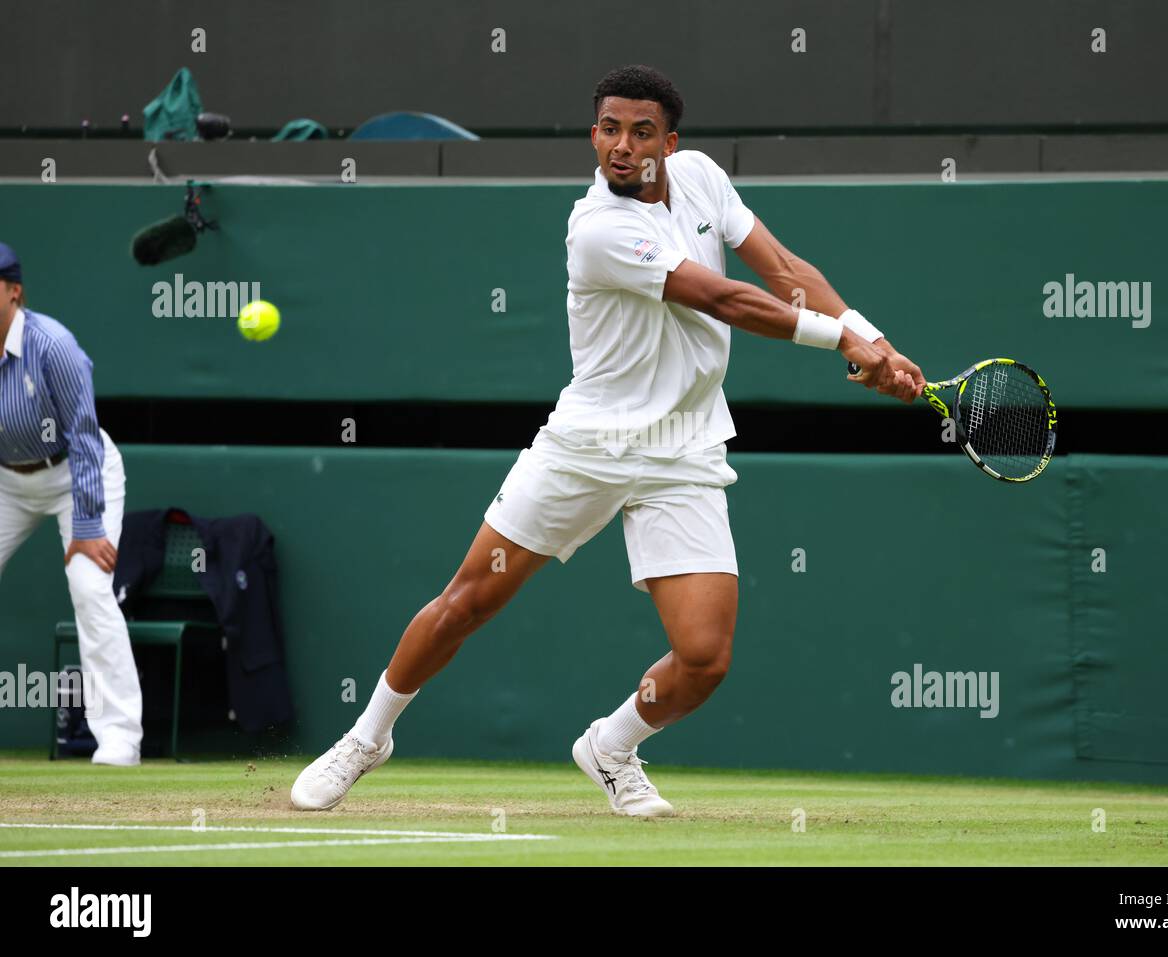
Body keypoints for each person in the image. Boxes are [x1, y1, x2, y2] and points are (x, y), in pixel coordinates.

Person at [292, 65, 924, 815]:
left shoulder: (701, 180)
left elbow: (783, 271)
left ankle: (611, 745)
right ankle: (367, 737)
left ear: (671, 141)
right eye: (608, 129)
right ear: (595, 134)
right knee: (468, 600)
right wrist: (846, 346)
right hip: (586, 446)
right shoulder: (598, 228)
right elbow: (724, 296)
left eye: (642, 132)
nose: (622, 147)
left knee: (704, 657)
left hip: (684, 447)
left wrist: (873, 336)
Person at [0, 242, 143, 766]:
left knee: (89, 587)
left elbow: (83, 437)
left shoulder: (53, 346)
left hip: (80, 474)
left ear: (14, 292)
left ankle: (120, 736)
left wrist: (87, 526)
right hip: (6, 481)